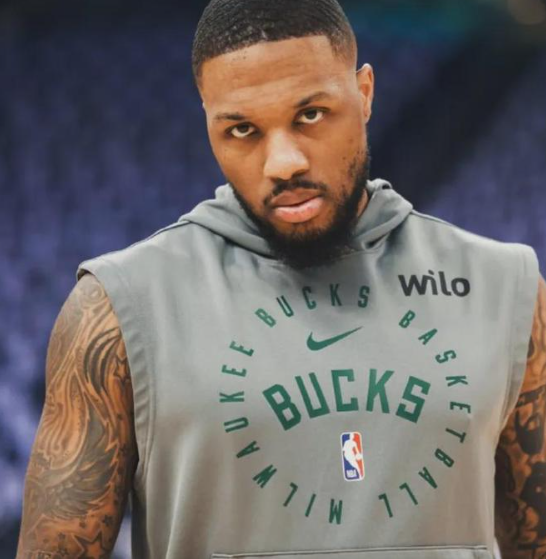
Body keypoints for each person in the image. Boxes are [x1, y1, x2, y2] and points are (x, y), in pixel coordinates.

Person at [16, 0, 546, 557]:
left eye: (311, 114)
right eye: (242, 129)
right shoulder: (117, 309)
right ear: (208, 125)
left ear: (364, 93)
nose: (283, 162)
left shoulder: (505, 289)